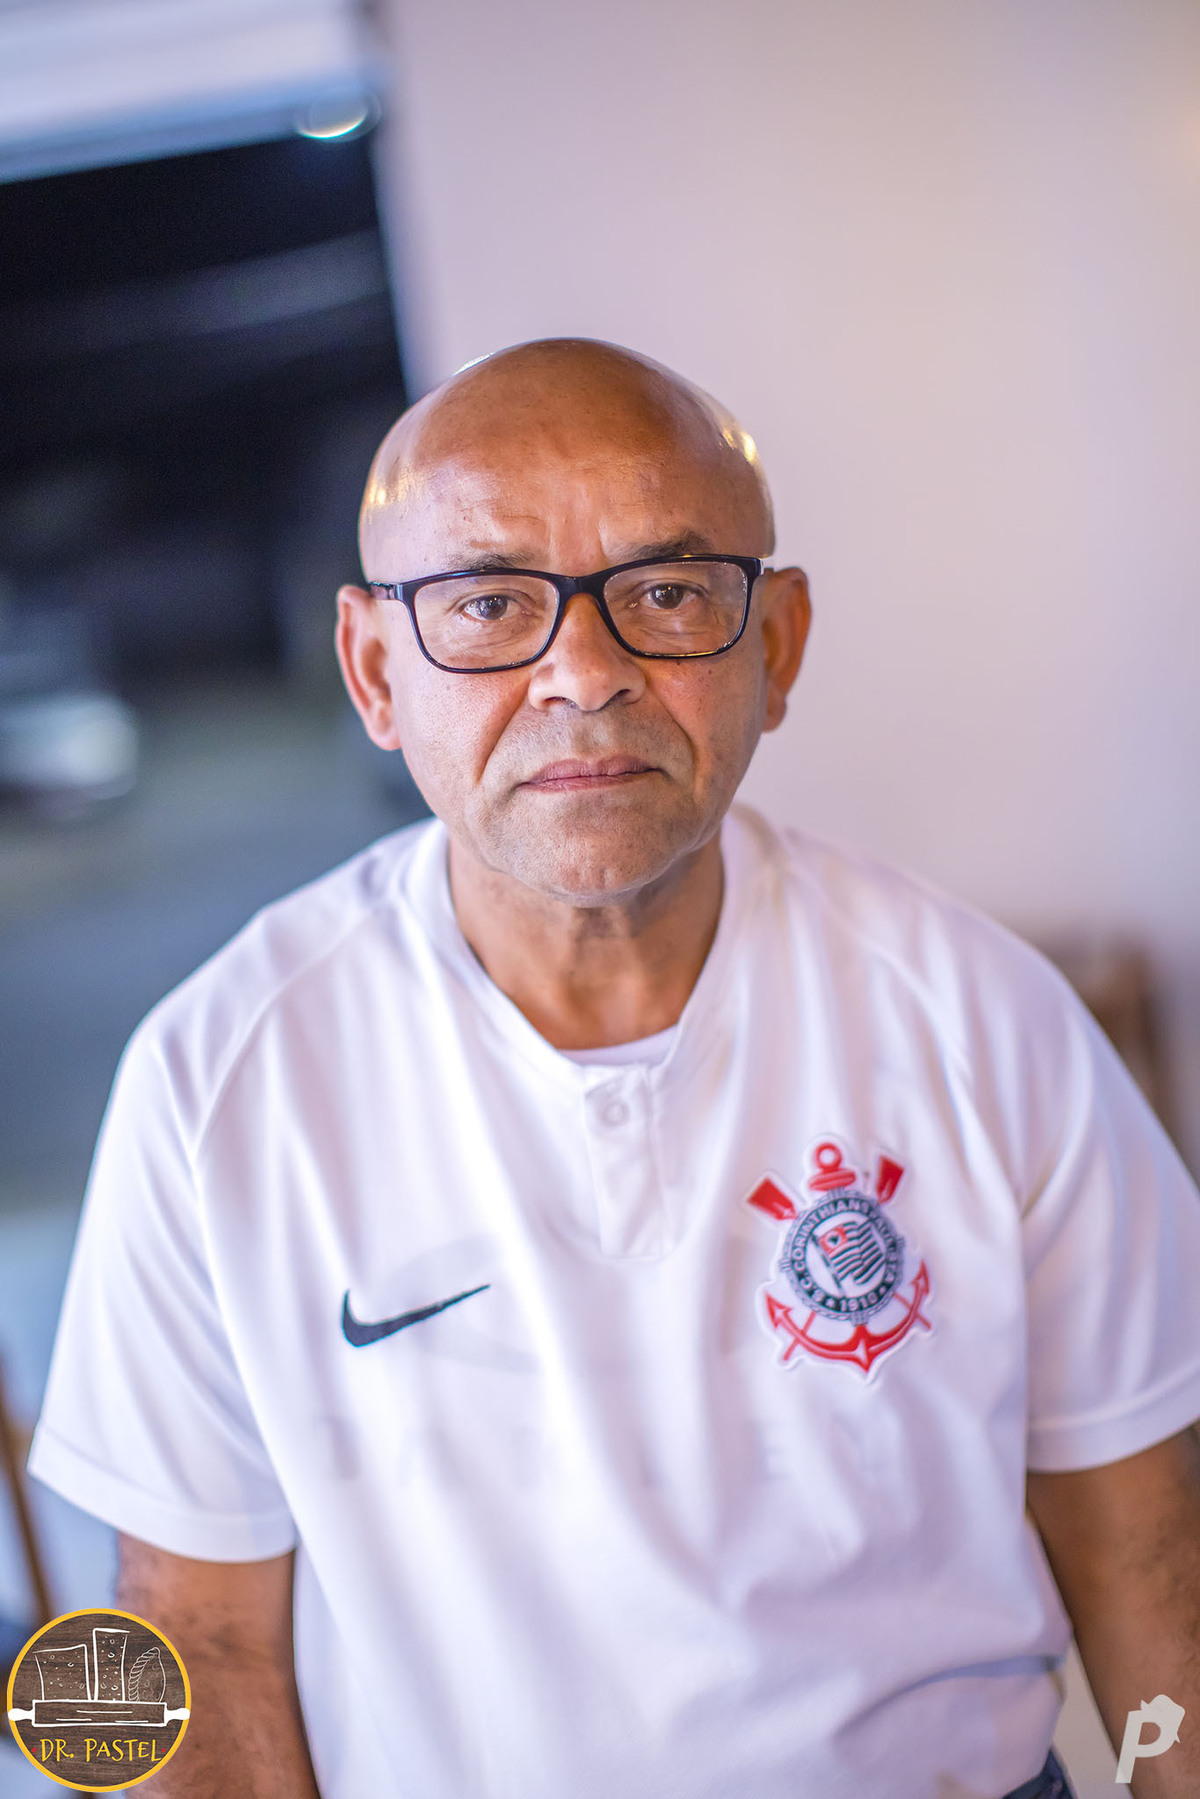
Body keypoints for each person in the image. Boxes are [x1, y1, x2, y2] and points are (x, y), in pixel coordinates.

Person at [30, 339, 1200, 1799]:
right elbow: (197, 1642)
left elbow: (1151, 1557)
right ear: (376, 671)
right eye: (488, 605)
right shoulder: (225, 1081)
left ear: (776, 647)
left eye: (667, 593)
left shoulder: (982, 1020)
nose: (584, 674)